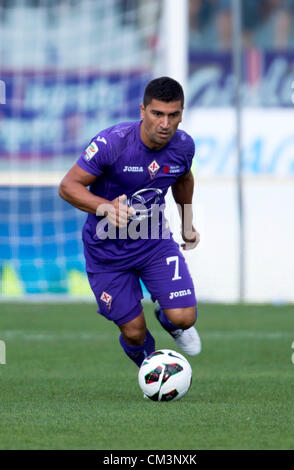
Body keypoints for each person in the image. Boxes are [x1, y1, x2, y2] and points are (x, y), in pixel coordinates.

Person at [59, 76, 201, 370]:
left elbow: (183, 177)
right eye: (157, 113)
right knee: (134, 332)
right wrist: (105, 207)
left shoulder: (184, 146)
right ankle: (150, 364)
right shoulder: (112, 143)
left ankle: (167, 317)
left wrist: (187, 222)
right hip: (107, 252)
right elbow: (68, 186)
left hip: (154, 243)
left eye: (173, 115)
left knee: (184, 318)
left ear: (181, 114)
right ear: (142, 110)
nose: (165, 123)